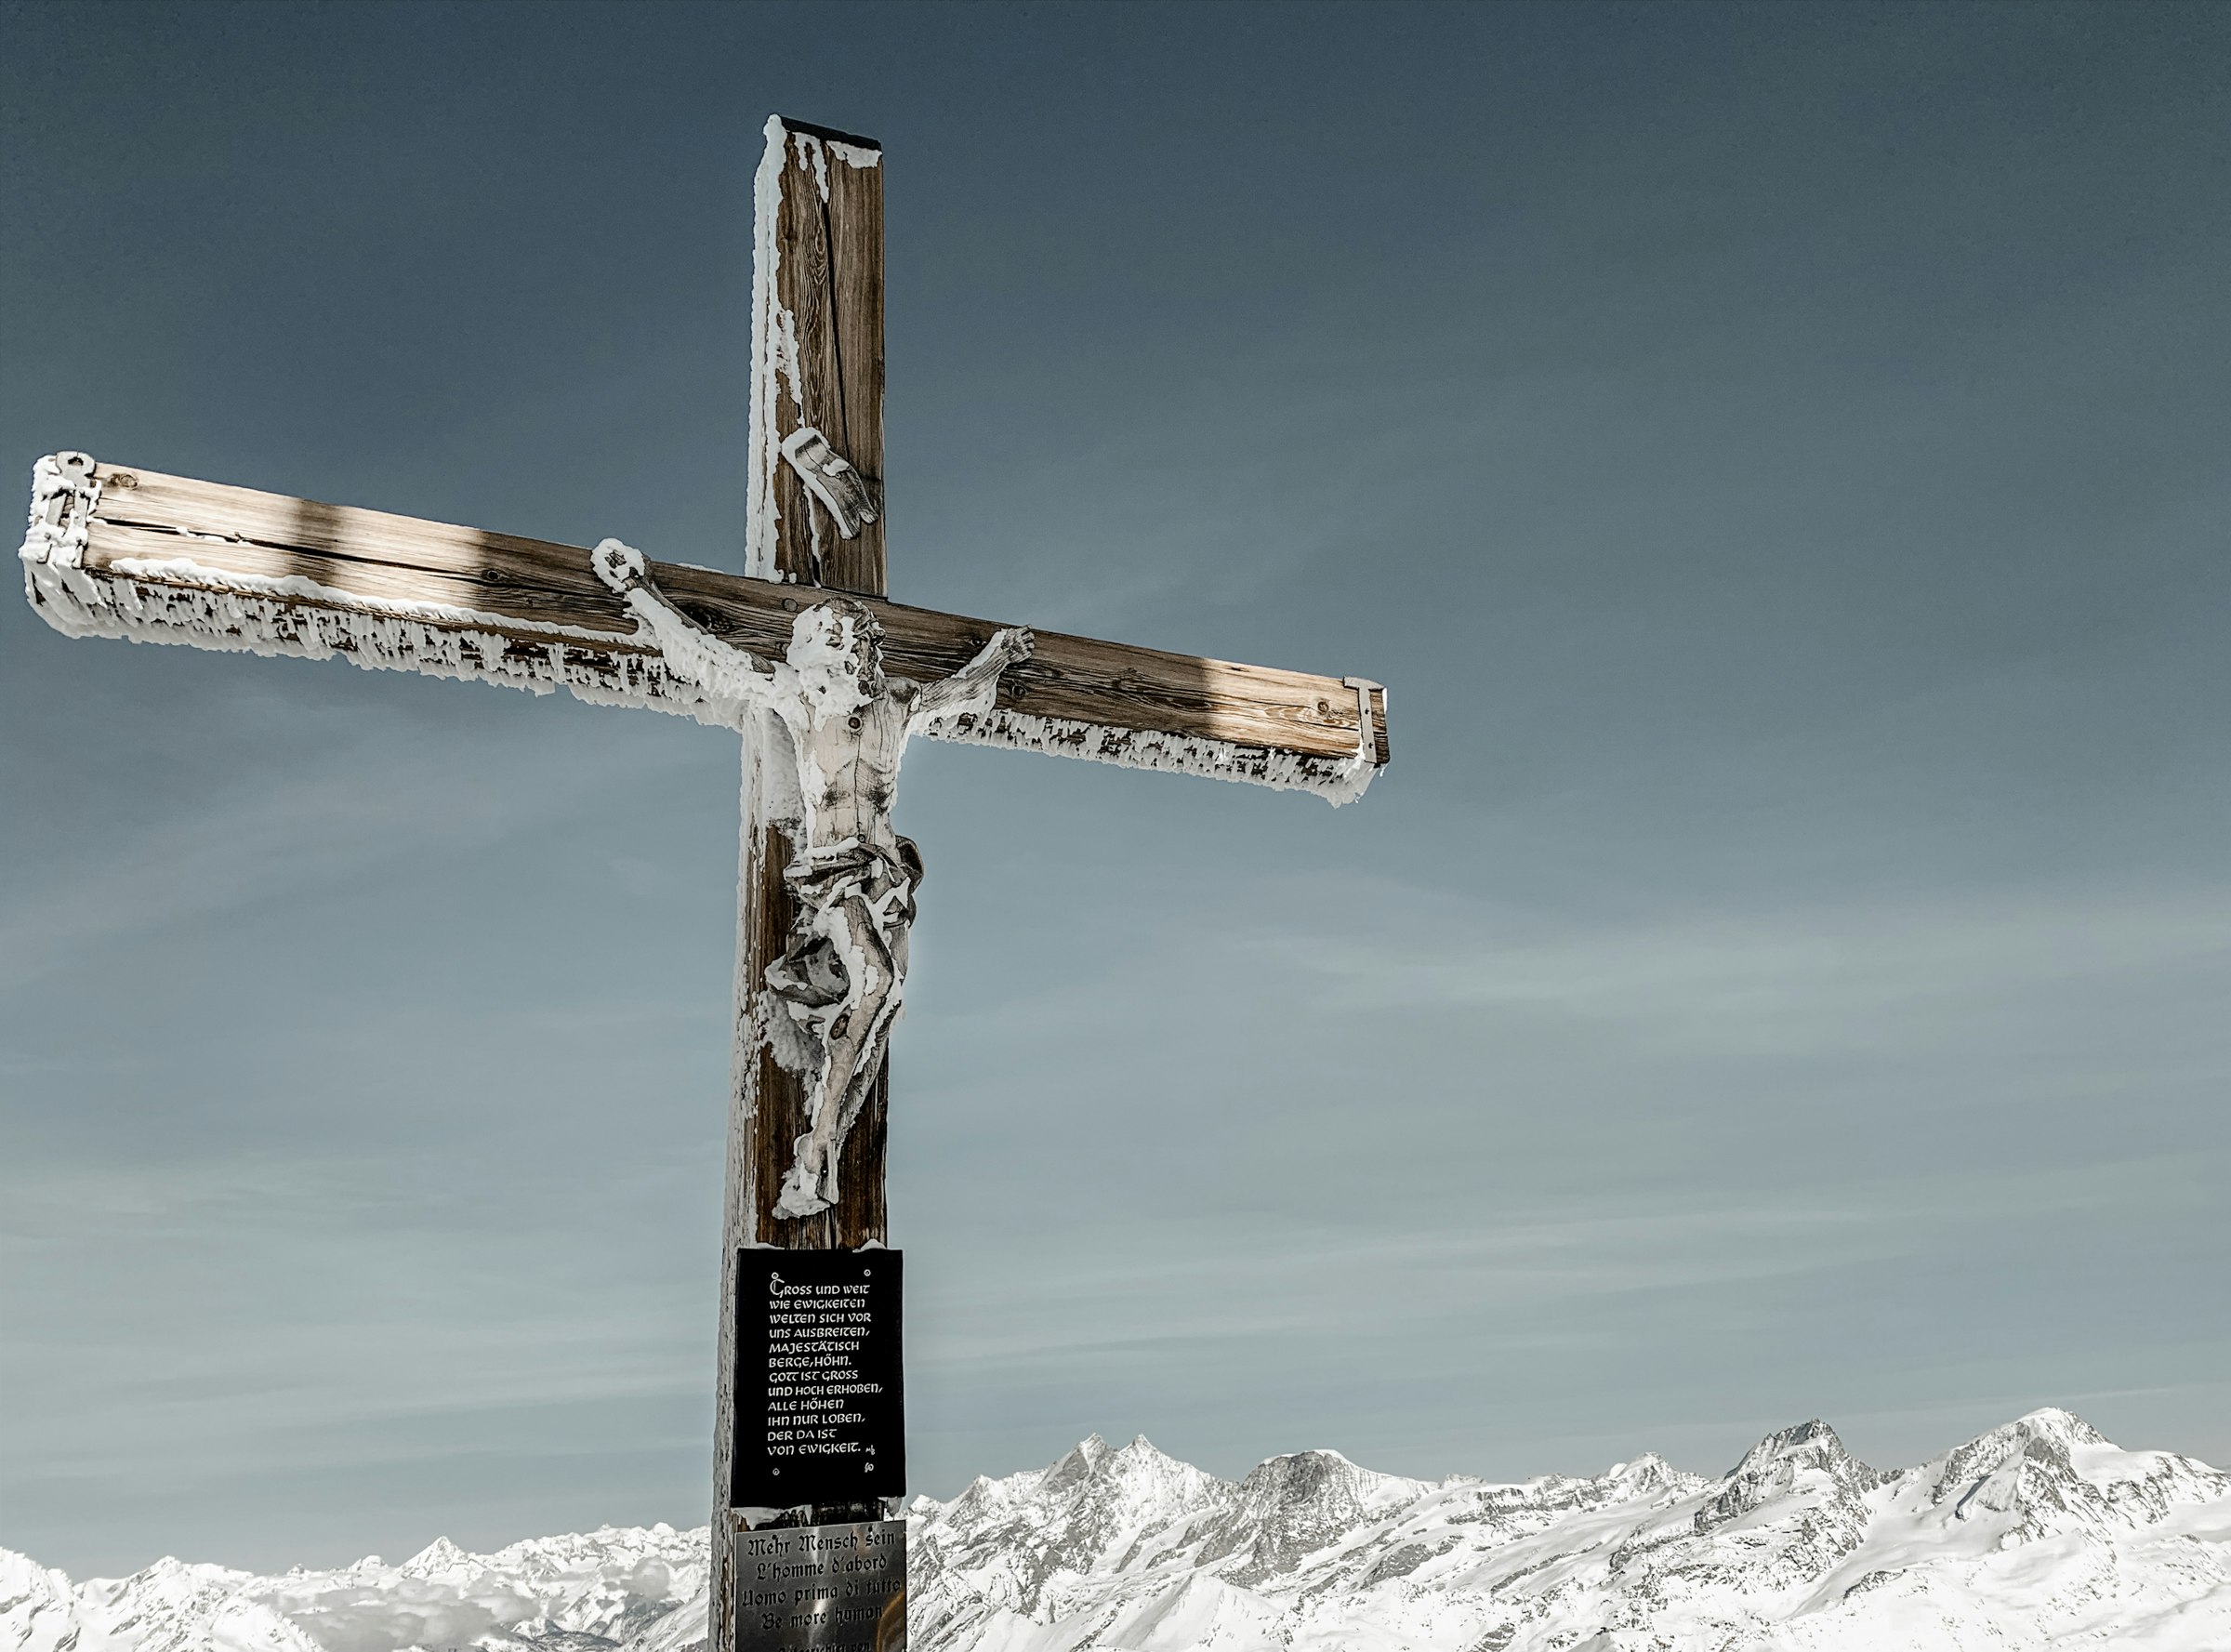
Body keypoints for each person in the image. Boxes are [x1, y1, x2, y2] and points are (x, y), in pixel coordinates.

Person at [591, 538, 1032, 1218]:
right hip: (832, 880)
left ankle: (820, 1145)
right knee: (878, 985)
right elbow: (711, 660)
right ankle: (815, 1146)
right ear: (815, 649)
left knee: (879, 1007)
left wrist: (1000, 653)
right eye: (837, 639)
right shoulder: (798, 700)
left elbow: (963, 692)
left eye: (858, 641)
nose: (851, 652)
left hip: (885, 884)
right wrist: (640, 593)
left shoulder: (895, 707)